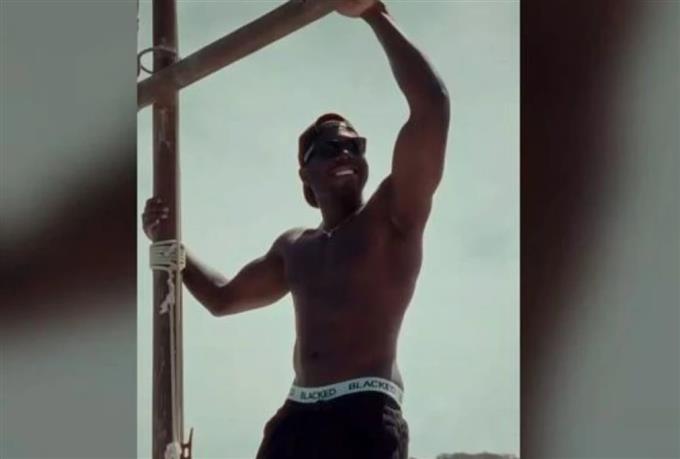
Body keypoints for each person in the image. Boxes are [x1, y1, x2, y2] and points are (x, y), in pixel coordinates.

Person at [142, 1, 450, 457]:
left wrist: (372, 13)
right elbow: (223, 298)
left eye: (355, 146)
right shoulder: (295, 248)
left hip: (365, 411)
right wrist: (170, 246)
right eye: (329, 148)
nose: (345, 153)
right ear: (305, 174)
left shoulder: (392, 215)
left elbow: (432, 108)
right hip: (298, 416)